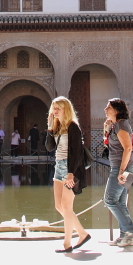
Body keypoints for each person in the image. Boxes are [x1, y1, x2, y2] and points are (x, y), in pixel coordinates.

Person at [45, 96, 90, 253]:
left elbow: (77, 153)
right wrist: (50, 129)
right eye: (53, 108)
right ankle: (82, 233)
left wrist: (71, 173)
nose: (55, 111)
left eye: (58, 108)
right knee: (59, 206)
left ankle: (67, 243)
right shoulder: (58, 127)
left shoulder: (73, 127)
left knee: (66, 206)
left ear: (66, 109)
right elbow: (49, 147)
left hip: (70, 169)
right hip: (59, 167)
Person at [103, 98, 133, 247]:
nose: (105, 110)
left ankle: (131, 230)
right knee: (119, 202)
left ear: (117, 110)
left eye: (108, 107)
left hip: (123, 169)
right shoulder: (115, 126)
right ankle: (124, 236)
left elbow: (128, 148)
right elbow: (110, 146)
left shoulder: (122, 124)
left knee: (109, 199)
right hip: (121, 167)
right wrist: (106, 130)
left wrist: (120, 171)